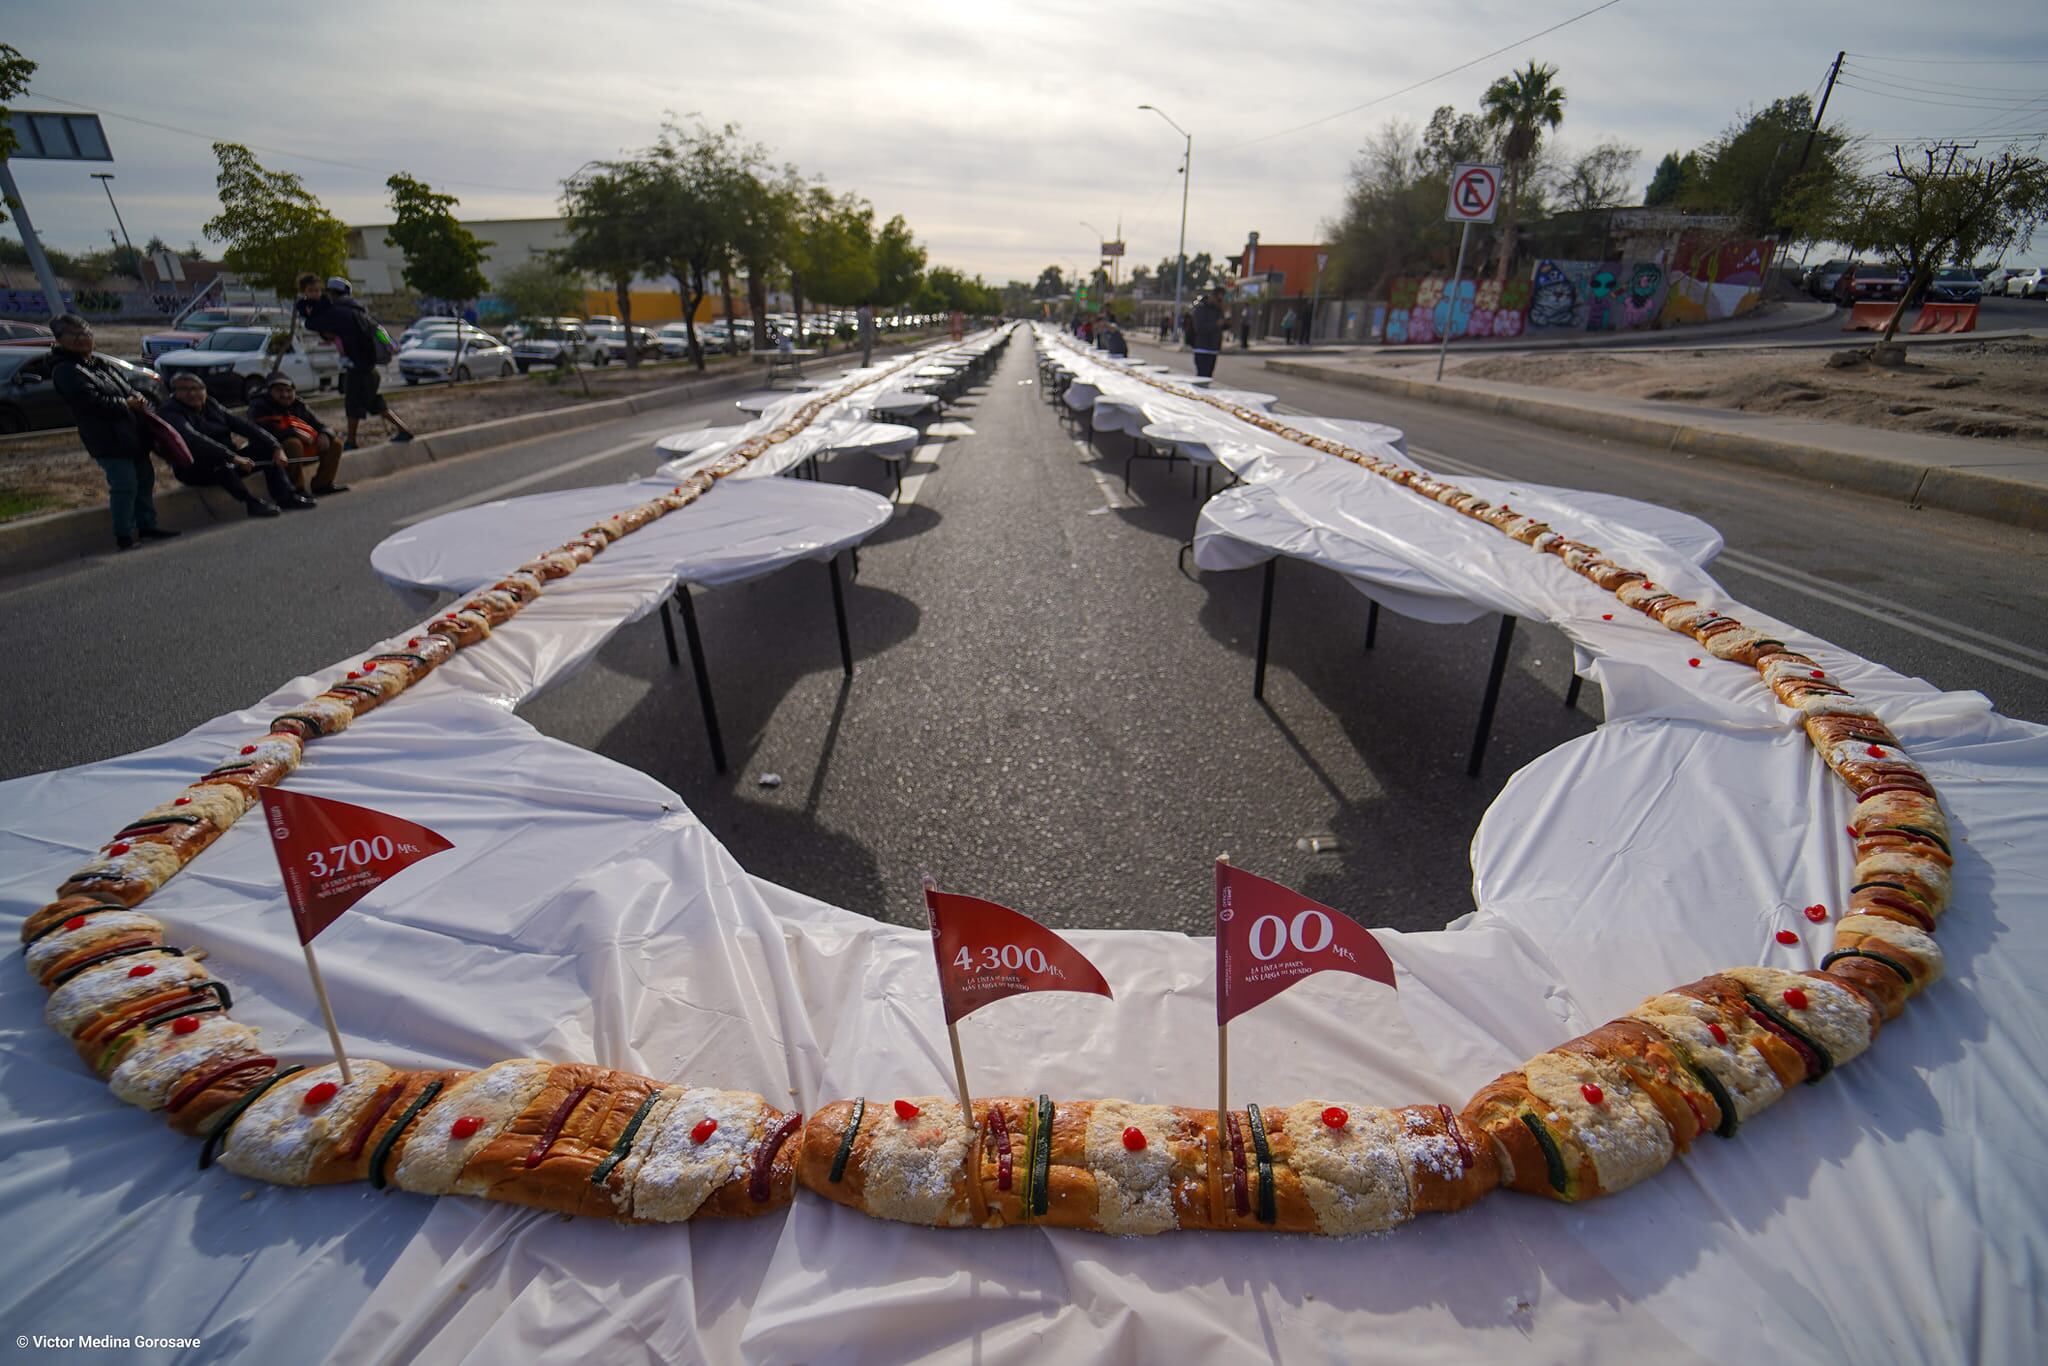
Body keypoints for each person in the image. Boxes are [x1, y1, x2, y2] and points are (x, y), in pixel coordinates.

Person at [47, 313, 175, 550]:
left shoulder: (99, 364)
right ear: (59, 339)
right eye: (73, 335)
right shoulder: (65, 370)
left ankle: (147, 526)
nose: (81, 339)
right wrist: (126, 404)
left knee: (144, 480)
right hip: (106, 439)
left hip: (132, 434)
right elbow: (90, 403)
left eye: (85, 333)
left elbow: (127, 387)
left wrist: (136, 396)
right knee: (124, 485)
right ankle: (124, 535)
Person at [158, 373, 314, 518]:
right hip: (195, 468)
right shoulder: (170, 412)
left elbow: (245, 426)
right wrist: (232, 457)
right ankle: (251, 503)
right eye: (185, 389)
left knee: (266, 450)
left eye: (196, 389)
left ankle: (286, 496)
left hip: (231, 460)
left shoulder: (211, 405)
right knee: (220, 463)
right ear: (175, 393)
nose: (192, 394)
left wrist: (276, 447)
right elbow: (193, 440)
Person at [295, 273, 414, 451]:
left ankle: (352, 441)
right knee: (373, 403)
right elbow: (378, 331)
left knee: (354, 404)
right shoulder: (360, 311)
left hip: (357, 367)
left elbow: (312, 325)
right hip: (368, 366)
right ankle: (401, 430)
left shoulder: (335, 313)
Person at [248, 376, 347, 495]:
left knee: (335, 443)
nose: (285, 394)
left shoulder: (299, 405)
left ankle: (322, 484)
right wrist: (293, 432)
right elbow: (260, 433)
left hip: (303, 450)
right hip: (273, 453)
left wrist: (325, 434)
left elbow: (320, 425)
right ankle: (296, 489)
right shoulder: (260, 406)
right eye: (279, 390)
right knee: (293, 443)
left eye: (289, 391)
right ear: (270, 392)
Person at [1187, 289, 1225, 378]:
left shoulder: (1218, 310)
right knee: (1202, 376)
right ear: (1212, 297)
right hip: (1202, 348)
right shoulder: (1201, 309)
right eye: (1218, 299)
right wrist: (1216, 324)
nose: (1219, 302)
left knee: (1208, 376)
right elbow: (1199, 328)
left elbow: (1222, 327)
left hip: (1213, 349)